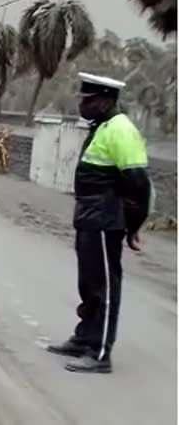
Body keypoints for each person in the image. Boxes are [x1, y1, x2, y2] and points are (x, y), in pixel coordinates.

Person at [46, 72, 151, 374]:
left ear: (104, 101)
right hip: (90, 218)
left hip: (106, 220)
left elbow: (138, 185)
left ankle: (101, 353)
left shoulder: (121, 130)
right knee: (89, 285)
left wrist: (133, 227)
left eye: (88, 100)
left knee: (104, 288)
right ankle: (84, 339)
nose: (83, 104)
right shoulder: (102, 126)